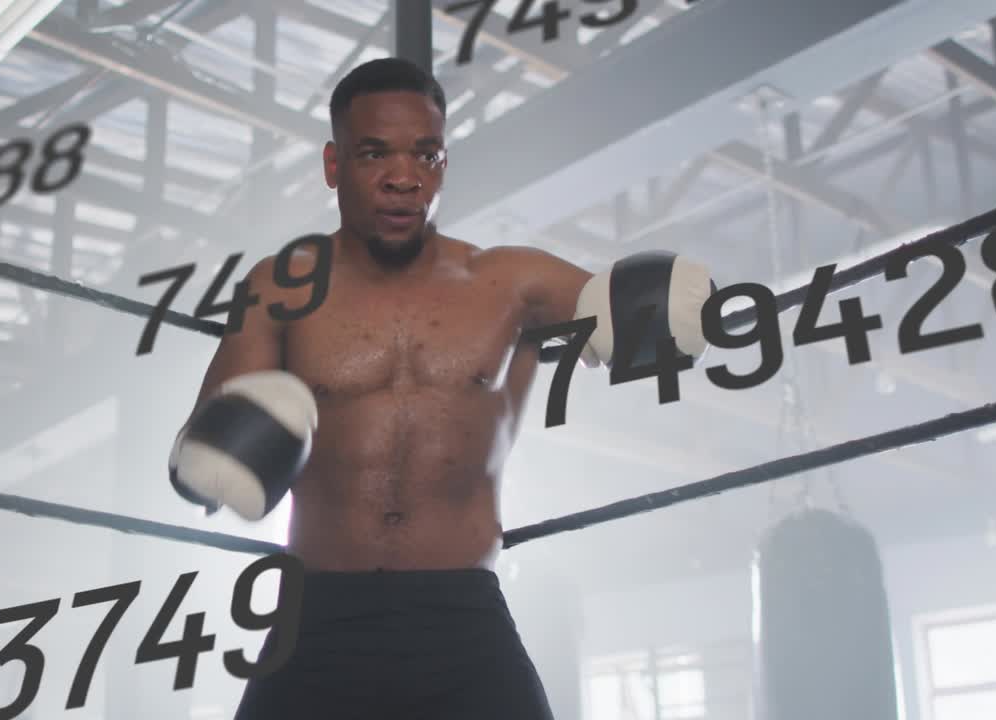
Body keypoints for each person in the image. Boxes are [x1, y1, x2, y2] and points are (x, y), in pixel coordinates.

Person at [168, 58, 715, 720]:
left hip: (464, 617)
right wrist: (227, 451)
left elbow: (645, 319)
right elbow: (205, 454)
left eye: (425, 155)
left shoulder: (513, 282)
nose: (404, 178)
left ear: (443, 164)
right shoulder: (280, 286)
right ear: (334, 165)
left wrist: (667, 311)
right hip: (317, 615)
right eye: (375, 154)